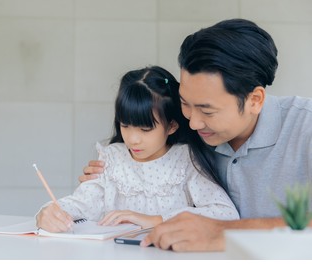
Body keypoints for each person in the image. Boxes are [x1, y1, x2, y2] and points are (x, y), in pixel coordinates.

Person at [80, 19, 312, 251]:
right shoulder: (182, 132)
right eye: (184, 103)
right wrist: (110, 176)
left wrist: (222, 231)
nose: (192, 122)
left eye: (207, 110)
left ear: (255, 100)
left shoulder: (305, 127)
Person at [36, 66, 239, 233]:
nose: (133, 139)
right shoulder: (112, 157)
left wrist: (154, 220)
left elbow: (225, 213)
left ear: (171, 126)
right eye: (125, 125)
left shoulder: (185, 160)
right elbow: (83, 203)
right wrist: (48, 212)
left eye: (145, 129)